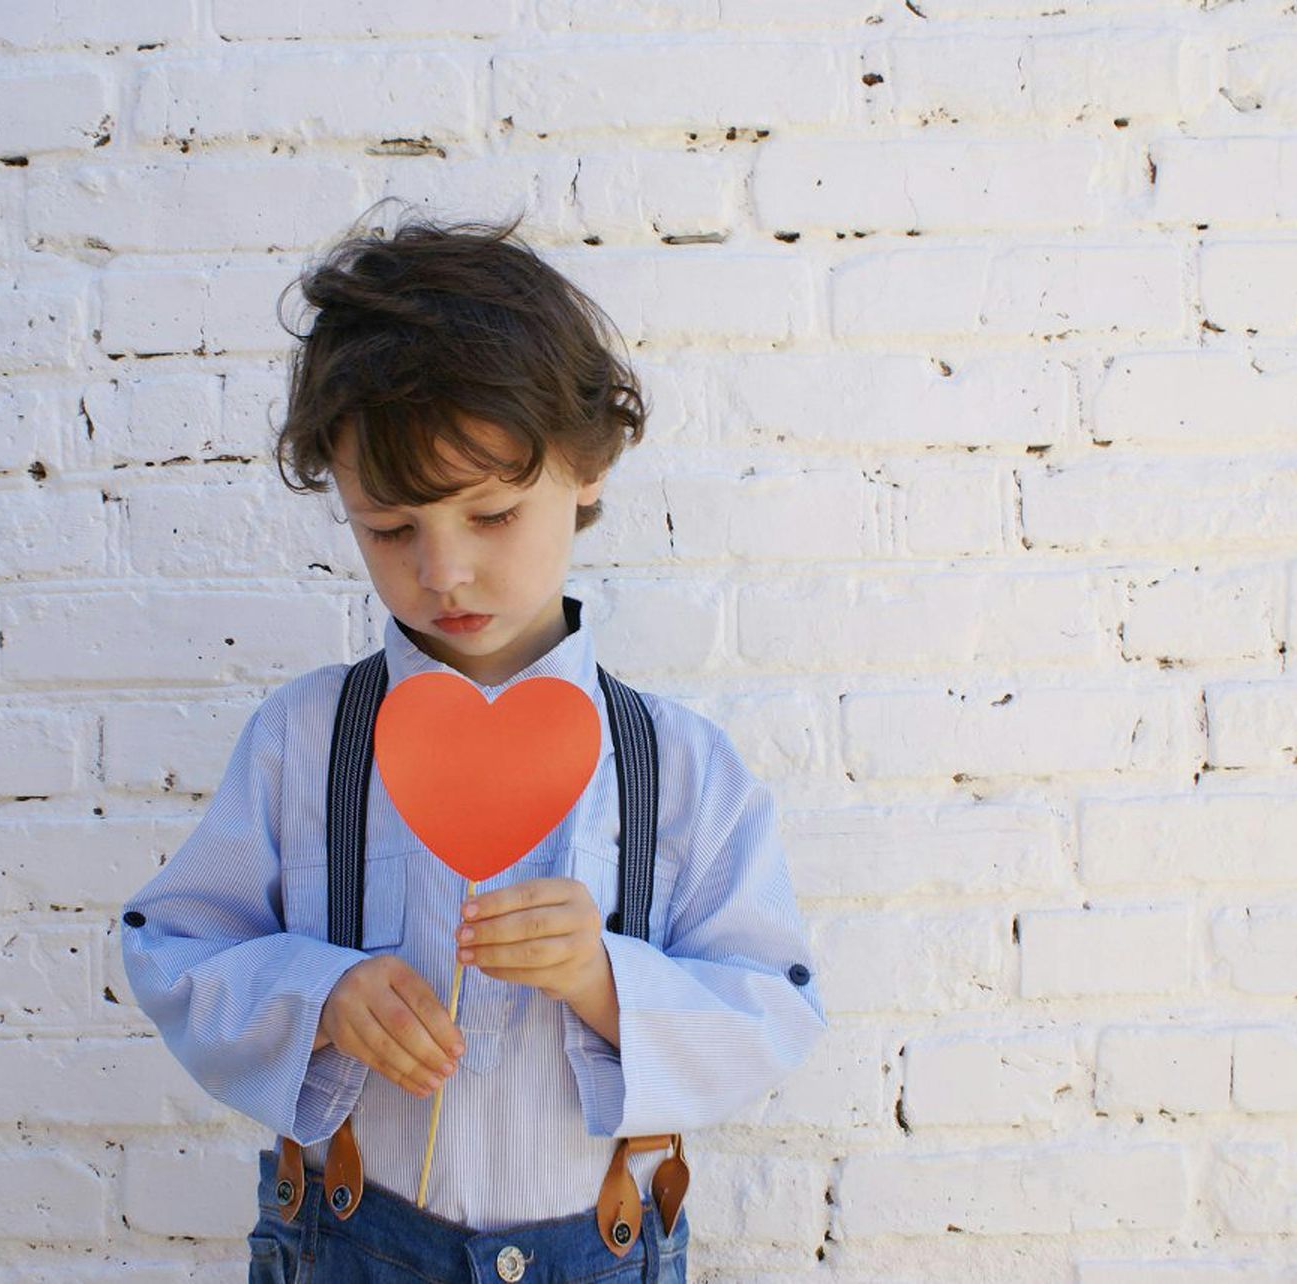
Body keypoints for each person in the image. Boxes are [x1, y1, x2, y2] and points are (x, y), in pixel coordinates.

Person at [118, 210, 828, 1282]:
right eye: (392, 529)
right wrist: (318, 995)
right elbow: (173, 949)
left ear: (587, 468)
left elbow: (773, 1007)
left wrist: (603, 980)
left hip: (599, 1249)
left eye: (490, 515)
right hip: (351, 1244)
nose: (442, 573)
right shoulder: (304, 744)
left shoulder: (678, 768)